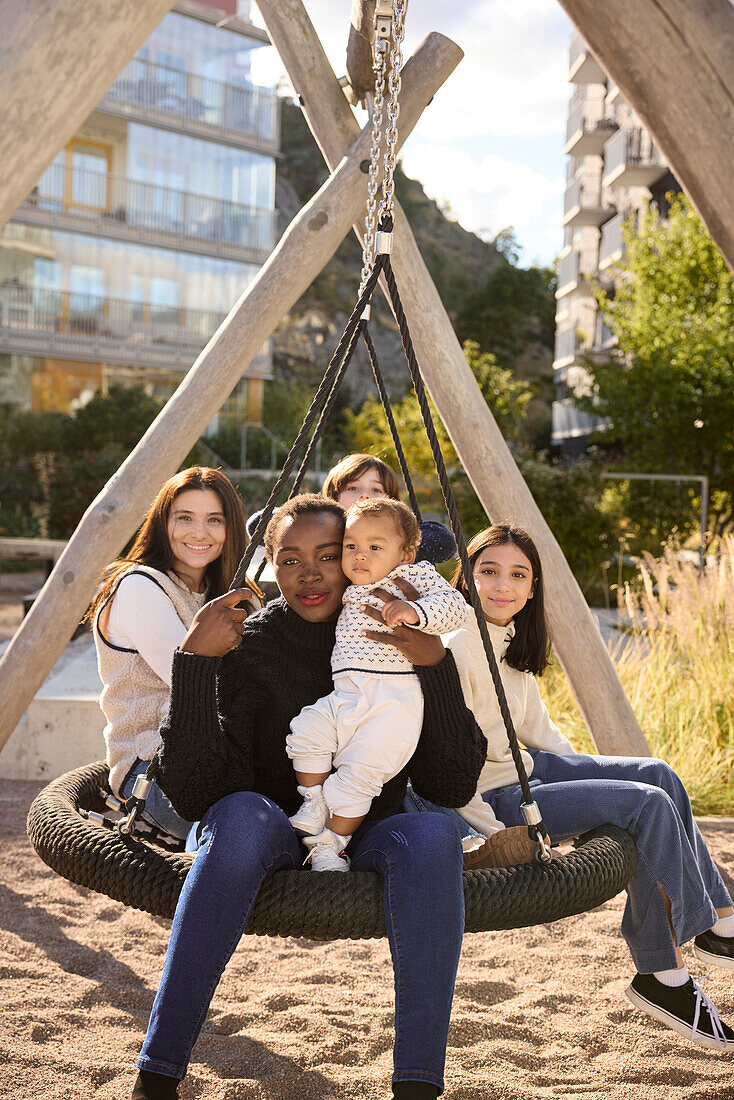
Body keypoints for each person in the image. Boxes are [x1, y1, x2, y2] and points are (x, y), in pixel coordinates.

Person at [131, 493, 487, 1100]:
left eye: (329, 554)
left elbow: (450, 785)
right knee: (240, 816)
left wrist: (434, 667)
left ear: (355, 559)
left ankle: (419, 1086)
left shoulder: (393, 628)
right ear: (269, 563)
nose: (312, 573)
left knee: (431, 833)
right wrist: (193, 661)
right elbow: (195, 793)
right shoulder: (255, 643)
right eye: (291, 559)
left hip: (366, 827)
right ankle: (157, 1075)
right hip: (266, 826)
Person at [421, 523, 734, 1051]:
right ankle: (662, 976)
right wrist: (483, 829)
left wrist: (595, 781)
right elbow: (439, 757)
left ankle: (718, 919)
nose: (503, 586)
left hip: (529, 770)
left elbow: (545, 737)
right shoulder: (456, 646)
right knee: (648, 805)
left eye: (518, 575)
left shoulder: (507, 642)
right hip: (497, 799)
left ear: (533, 587)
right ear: (465, 579)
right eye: (488, 571)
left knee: (656, 773)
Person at [286, 497, 468, 870]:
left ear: (405, 554)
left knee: (358, 779)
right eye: (351, 546)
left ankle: (330, 846)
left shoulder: (411, 577)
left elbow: (458, 609)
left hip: (392, 703)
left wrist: (416, 612)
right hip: (348, 693)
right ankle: (314, 799)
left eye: (374, 547)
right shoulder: (348, 586)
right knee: (306, 730)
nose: (359, 556)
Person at [89, 466, 254, 839]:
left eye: (214, 519)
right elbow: (205, 689)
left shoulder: (236, 591)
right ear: (163, 524)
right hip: (155, 766)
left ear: (231, 529)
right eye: (185, 518)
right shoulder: (139, 587)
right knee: (262, 820)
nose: (199, 533)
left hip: (228, 756)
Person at [322, 452, 457, 565]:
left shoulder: (399, 537)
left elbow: (445, 541)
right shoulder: (328, 538)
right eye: (353, 488)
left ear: (392, 502)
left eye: (376, 489)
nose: (365, 495)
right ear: (333, 498)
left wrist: (394, 550)